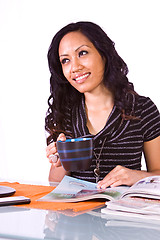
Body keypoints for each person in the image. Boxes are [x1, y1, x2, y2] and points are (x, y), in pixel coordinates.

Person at [45, 21, 160, 188]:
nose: (75, 67)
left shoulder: (142, 109)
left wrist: (137, 176)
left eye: (82, 53)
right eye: (65, 60)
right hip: (77, 213)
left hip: (123, 213)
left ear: (104, 54)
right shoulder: (66, 111)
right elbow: (55, 184)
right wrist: (62, 161)